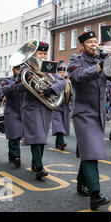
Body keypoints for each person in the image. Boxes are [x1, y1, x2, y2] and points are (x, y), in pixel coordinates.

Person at [68, 30, 111, 211]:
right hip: (83, 113)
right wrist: (101, 65)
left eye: (95, 41)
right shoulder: (75, 60)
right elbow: (79, 76)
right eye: (90, 42)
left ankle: (81, 183)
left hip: (98, 114)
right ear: (82, 45)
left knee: (89, 151)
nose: (94, 44)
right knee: (92, 152)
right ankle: (95, 195)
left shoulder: (101, 60)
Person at [15, 42, 66, 179]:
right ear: (33, 54)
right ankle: (39, 167)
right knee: (37, 136)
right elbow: (16, 88)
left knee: (41, 138)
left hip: (45, 107)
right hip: (31, 107)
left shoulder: (49, 67)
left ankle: (35, 162)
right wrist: (27, 81)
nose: (42, 56)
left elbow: (62, 82)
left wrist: (51, 89)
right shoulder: (24, 69)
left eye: (44, 54)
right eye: (40, 53)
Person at [1, 65, 24, 167]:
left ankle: (12, 155)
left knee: (17, 135)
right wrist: (17, 82)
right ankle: (16, 156)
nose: (18, 72)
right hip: (11, 110)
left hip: (22, 110)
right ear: (13, 70)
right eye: (16, 69)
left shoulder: (25, 80)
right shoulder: (7, 80)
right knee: (13, 135)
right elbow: (5, 90)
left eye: (20, 70)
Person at [51, 64, 71, 151]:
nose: (62, 74)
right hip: (56, 105)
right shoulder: (53, 81)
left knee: (62, 125)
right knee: (59, 125)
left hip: (65, 106)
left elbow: (70, 93)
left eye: (63, 72)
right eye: (60, 72)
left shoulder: (67, 82)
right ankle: (61, 142)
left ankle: (58, 143)